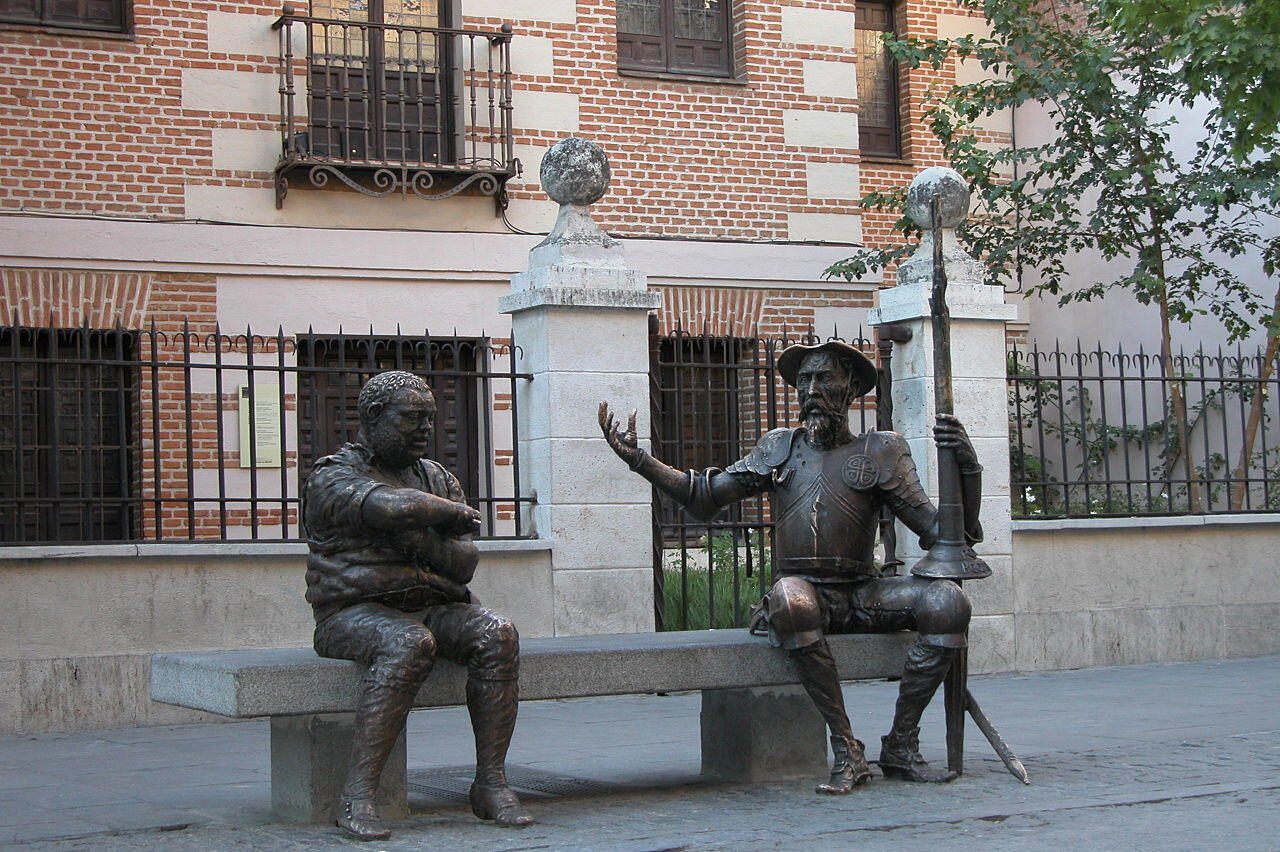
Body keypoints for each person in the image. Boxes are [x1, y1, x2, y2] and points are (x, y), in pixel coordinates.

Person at [600, 340, 981, 792]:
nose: (812, 389)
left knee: (947, 600)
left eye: (824, 378)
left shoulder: (882, 451)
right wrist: (641, 462)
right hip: (804, 594)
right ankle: (847, 748)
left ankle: (900, 743)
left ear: (852, 387)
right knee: (790, 597)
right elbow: (703, 495)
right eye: (805, 380)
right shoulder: (779, 448)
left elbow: (944, 535)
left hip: (863, 591)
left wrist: (968, 469)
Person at [302, 370, 533, 840]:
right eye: (412, 417)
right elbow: (387, 507)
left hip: (434, 605)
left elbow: (464, 564)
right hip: (350, 615)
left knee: (496, 632)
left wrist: (416, 531)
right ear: (372, 417)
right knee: (409, 642)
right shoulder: (332, 475)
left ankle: (490, 783)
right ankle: (358, 794)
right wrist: (439, 518)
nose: (426, 428)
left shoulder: (436, 477)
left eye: (430, 418)